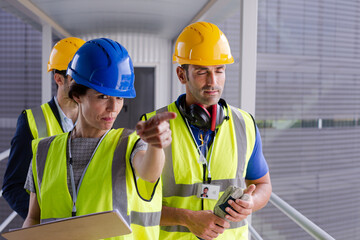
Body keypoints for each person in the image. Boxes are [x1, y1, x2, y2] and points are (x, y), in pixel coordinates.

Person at [22, 38, 176, 240]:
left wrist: (156, 146)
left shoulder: (130, 144)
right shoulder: (44, 152)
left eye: (119, 98)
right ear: (77, 95)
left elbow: (149, 173)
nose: (114, 108)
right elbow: (33, 219)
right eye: (103, 97)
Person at [141, 22, 272, 240]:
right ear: (182, 75)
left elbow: (262, 184)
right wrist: (185, 218)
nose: (213, 82)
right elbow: (136, 204)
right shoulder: (154, 126)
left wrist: (251, 203)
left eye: (219, 71)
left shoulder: (245, 124)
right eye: (202, 72)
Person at [2, 37, 85, 219]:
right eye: (75, 79)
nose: (82, 86)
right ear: (58, 79)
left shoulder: (95, 120)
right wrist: (43, 220)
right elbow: (12, 187)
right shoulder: (32, 121)